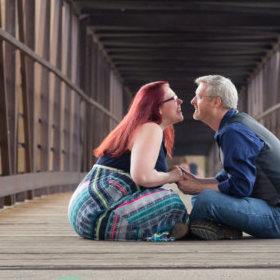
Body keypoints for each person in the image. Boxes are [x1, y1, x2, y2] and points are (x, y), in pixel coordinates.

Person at [177, 75, 280, 240]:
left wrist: (201, 188)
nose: (193, 101)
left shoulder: (234, 132)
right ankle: (220, 229)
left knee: (205, 199)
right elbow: (228, 176)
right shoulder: (235, 124)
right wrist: (199, 182)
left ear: (216, 102)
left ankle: (188, 231)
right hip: (275, 210)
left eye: (200, 97)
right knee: (199, 194)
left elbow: (241, 187)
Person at [68, 81, 189, 241]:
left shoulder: (142, 128)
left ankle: (173, 228)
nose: (180, 101)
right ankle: (176, 228)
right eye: (173, 98)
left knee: (166, 202)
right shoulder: (151, 128)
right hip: (97, 214)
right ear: (158, 107)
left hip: (84, 212)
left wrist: (168, 175)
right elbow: (143, 177)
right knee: (171, 201)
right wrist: (171, 177)